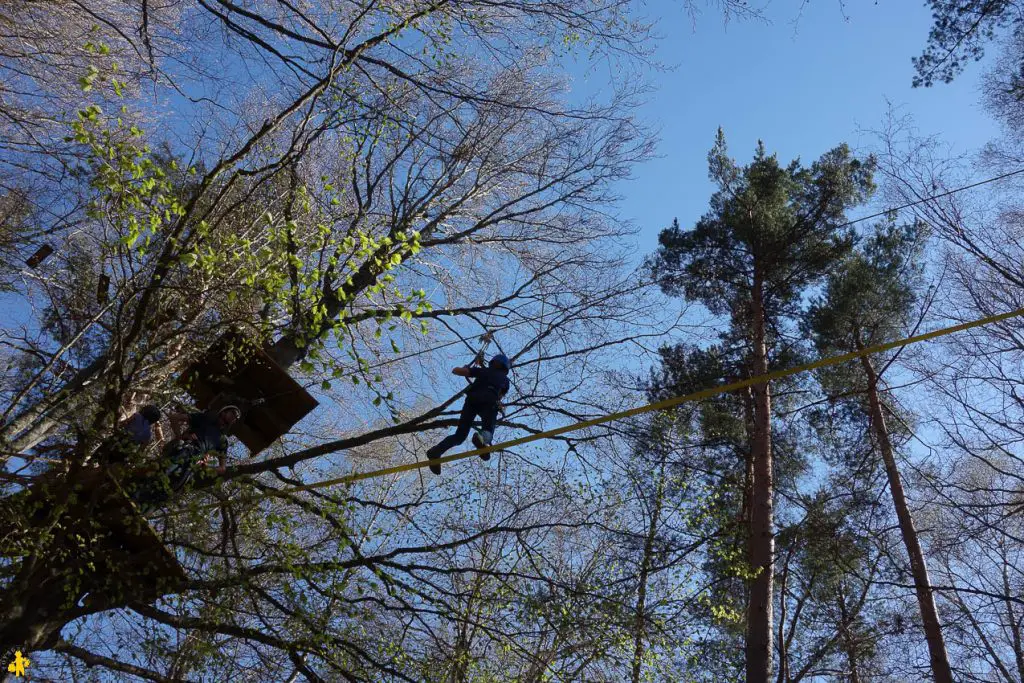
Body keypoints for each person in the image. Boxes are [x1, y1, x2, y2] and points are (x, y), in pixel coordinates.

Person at [129, 405, 241, 510]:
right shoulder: (205, 419)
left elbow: (222, 469)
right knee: (162, 473)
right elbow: (174, 417)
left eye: (236, 417)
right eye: (233, 413)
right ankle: (134, 495)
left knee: (171, 487)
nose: (234, 417)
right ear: (224, 412)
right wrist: (180, 437)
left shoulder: (223, 441)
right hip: (185, 450)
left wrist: (205, 467)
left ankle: (142, 507)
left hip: (193, 463)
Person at [426, 354, 510, 475]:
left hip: (472, 400)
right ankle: (481, 439)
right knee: (488, 429)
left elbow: (456, 371)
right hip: (490, 400)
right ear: (505, 368)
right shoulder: (505, 380)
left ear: (493, 363)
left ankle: (436, 451)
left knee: (459, 436)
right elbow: (500, 395)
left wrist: (465, 368)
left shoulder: (482, 371)